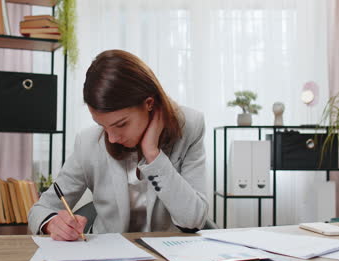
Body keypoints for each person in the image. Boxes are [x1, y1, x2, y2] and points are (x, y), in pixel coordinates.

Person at [28, 49, 208, 241]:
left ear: (149, 103)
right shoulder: (88, 142)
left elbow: (194, 220)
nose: (112, 138)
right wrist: (52, 223)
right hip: (106, 254)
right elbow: (41, 209)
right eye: (103, 126)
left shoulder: (189, 127)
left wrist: (153, 155)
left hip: (168, 254)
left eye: (121, 124)